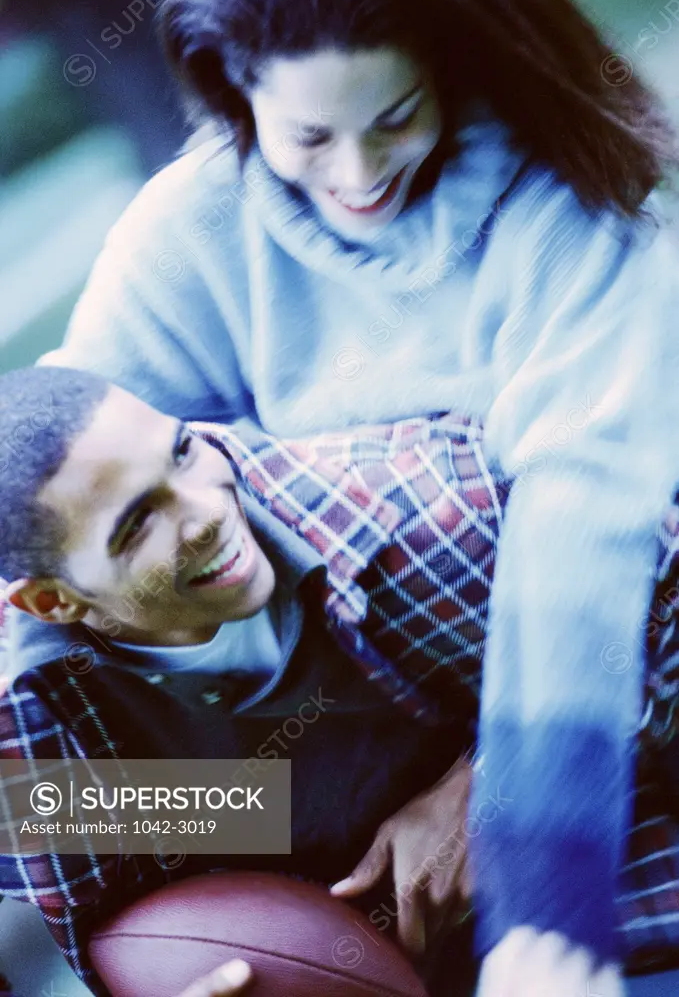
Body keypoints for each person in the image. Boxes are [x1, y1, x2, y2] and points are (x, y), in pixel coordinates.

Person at [18, 0, 679, 992]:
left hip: (576, 690)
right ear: (236, 92)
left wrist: (519, 847)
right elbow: (51, 472)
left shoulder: (581, 242)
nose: (359, 173)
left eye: (394, 117)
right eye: (310, 137)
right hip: (334, 761)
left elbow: (579, 556)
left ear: (448, 64)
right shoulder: (189, 228)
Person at [4, 368, 679, 997]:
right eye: (138, 522)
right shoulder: (31, 753)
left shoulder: (442, 507)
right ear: (52, 603)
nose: (205, 510)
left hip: (631, 931)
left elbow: (658, 613)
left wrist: (515, 771)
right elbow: (233, 820)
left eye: (182, 451)